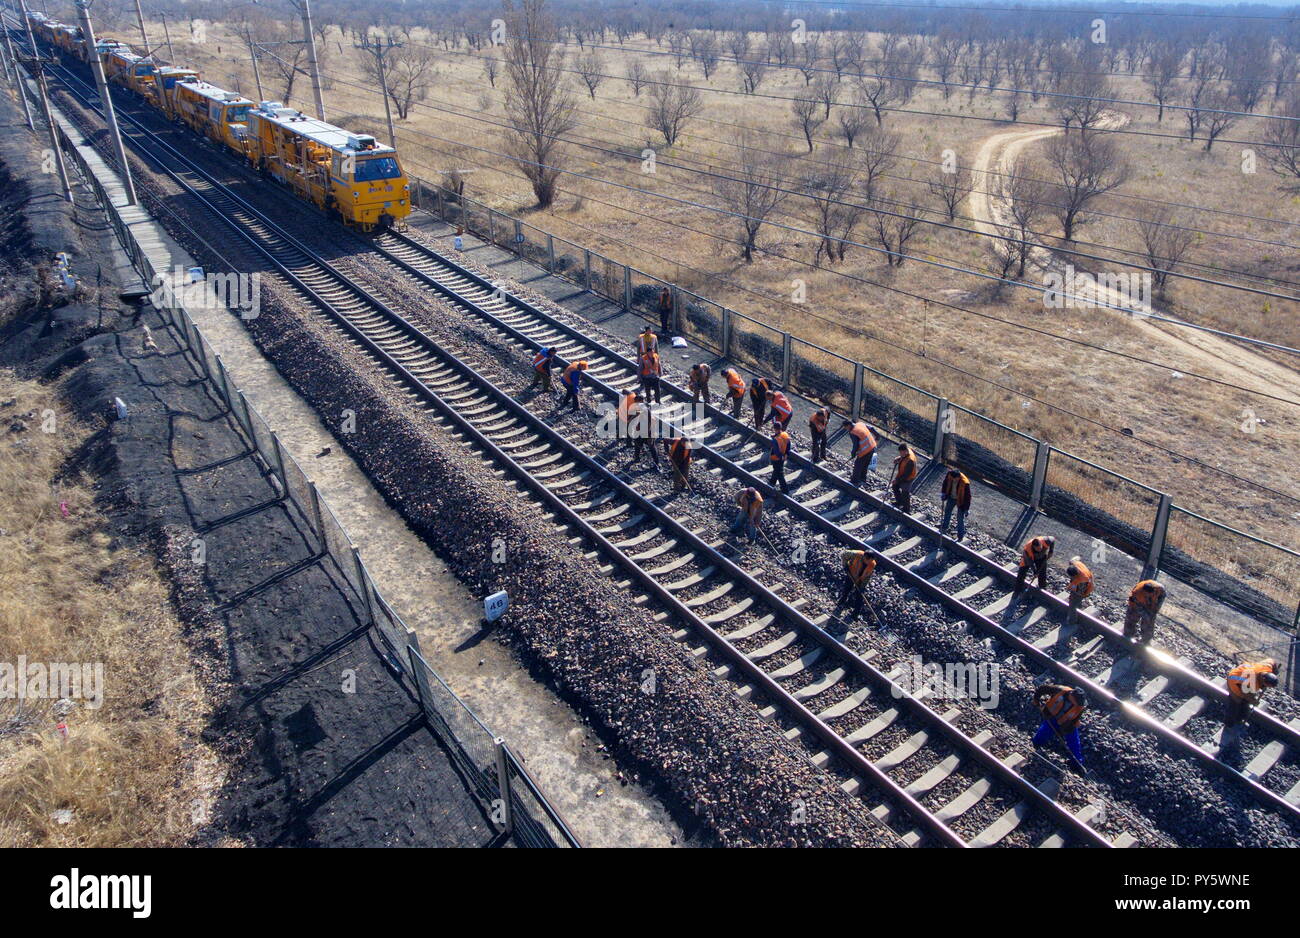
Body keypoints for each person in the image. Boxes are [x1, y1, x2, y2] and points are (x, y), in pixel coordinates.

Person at [1032, 683, 1088, 768]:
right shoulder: (1060, 690)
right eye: (1077, 702)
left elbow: (1075, 719)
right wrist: (1036, 700)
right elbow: (1042, 689)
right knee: (1044, 732)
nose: (1079, 704)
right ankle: (1036, 745)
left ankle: (1077, 763)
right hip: (1051, 717)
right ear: (1072, 697)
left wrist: (1064, 729)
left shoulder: (1080, 707)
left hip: (1067, 723)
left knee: (1074, 742)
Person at [1224, 658, 1278, 734]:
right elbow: (1245, 694)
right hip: (1234, 680)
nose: (1267, 687)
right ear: (1263, 679)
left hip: (1243, 672)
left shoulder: (1267, 667)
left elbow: (1272, 661)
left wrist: (1275, 670)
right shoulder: (1251, 682)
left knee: (1245, 703)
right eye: (1266, 685)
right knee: (1236, 702)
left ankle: (1240, 718)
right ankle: (1228, 724)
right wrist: (1254, 701)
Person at [1123, 579, 1166, 646]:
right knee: (1131, 618)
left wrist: (1154, 611)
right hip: (1136, 604)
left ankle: (1146, 640)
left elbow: (1162, 598)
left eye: (1150, 595)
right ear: (1144, 592)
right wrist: (1145, 615)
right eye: (1146, 595)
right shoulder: (1137, 592)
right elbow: (1136, 606)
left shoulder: (1160, 590)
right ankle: (1128, 635)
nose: (1148, 596)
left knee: (1149, 621)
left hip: (1151, 605)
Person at [837, 548, 876, 617]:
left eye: (872, 560)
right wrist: (845, 565)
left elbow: (867, 576)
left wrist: (862, 586)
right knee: (847, 589)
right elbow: (843, 554)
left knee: (859, 595)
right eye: (869, 560)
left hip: (860, 579)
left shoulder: (872, 564)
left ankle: (855, 613)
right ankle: (842, 601)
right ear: (865, 558)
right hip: (851, 574)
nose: (871, 562)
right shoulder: (857, 554)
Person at [939, 466, 971, 542]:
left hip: (961, 501)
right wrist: (943, 493)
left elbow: (968, 497)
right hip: (951, 497)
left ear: (958, 477)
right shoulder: (950, 475)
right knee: (947, 511)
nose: (954, 480)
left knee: (960, 518)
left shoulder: (965, 482)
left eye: (955, 479)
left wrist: (966, 508)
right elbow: (945, 483)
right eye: (953, 479)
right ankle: (944, 527)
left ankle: (960, 536)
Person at [627, 394, 660, 467]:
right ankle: (636, 458)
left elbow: (651, 423)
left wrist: (650, 435)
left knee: (651, 446)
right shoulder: (639, 408)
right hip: (640, 430)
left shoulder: (645, 410)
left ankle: (657, 463)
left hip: (649, 431)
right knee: (637, 444)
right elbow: (634, 417)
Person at [845, 420, 877, 487]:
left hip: (865, 450)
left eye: (846, 427)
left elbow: (855, 445)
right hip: (872, 447)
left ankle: (854, 481)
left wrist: (853, 453)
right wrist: (877, 435)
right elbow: (871, 428)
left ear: (848, 425)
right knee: (865, 465)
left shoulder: (853, 432)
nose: (846, 429)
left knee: (858, 465)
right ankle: (862, 479)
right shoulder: (860, 424)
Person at [1065, 556, 1094, 625]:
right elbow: (1075, 559)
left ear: (1075, 576)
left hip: (1085, 589)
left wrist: (1073, 597)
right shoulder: (1075, 564)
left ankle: (1072, 621)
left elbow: (1080, 593)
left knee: (1072, 605)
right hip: (1081, 584)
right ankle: (1078, 605)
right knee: (1074, 598)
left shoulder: (1083, 581)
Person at [891, 443, 918, 512]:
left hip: (908, 478)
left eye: (901, 453)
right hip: (902, 475)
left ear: (905, 451)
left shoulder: (910, 461)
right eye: (899, 452)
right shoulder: (907, 451)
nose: (900, 454)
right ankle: (899, 502)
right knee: (895, 486)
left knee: (905, 492)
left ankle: (906, 509)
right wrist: (899, 458)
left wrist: (897, 480)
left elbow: (906, 476)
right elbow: (904, 456)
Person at [769, 428, 793, 494]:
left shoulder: (776, 440)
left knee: (779, 473)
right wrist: (786, 454)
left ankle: (785, 490)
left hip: (776, 458)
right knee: (777, 470)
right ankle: (772, 482)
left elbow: (776, 451)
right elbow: (788, 445)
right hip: (783, 457)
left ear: (775, 429)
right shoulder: (785, 435)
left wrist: (780, 457)